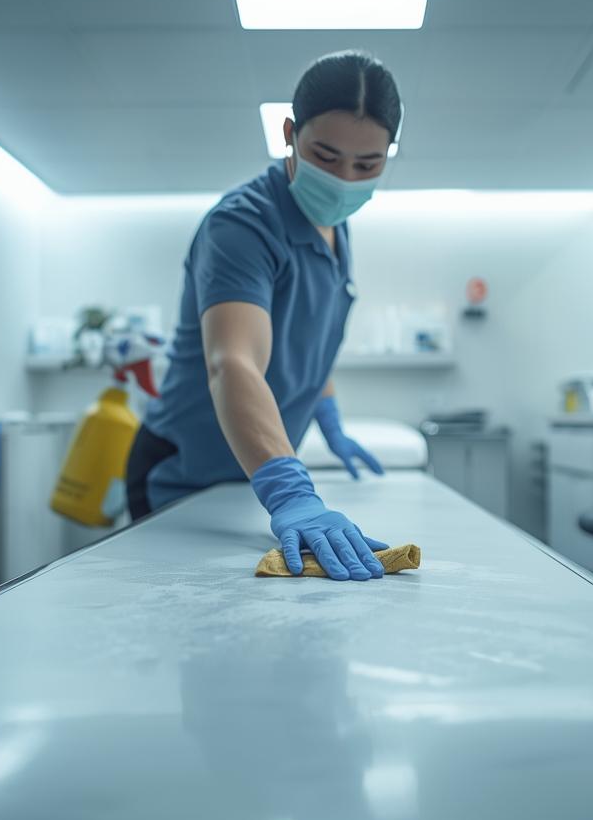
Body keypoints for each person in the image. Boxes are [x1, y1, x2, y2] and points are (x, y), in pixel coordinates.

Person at [125, 50, 400, 582]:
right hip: (185, 475)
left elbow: (306, 345)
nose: (344, 179)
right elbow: (235, 362)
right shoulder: (243, 227)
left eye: (368, 165)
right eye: (325, 155)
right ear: (289, 134)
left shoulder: (334, 230)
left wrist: (331, 424)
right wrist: (292, 494)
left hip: (252, 480)